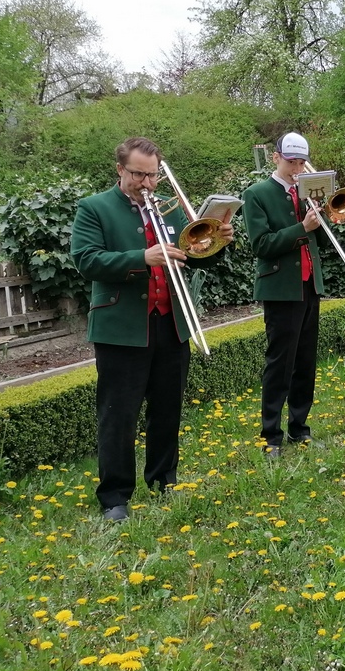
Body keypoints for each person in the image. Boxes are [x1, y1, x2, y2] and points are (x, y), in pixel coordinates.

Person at [71, 136, 234, 522]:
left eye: (153, 176)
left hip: (170, 323)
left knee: (167, 409)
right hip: (122, 327)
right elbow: (87, 261)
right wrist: (141, 257)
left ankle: (164, 480)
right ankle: (115, 497)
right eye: (138, 175)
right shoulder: (94, 208)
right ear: (120, 170)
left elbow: (194, 258)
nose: (146, 184)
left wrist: (216, 244)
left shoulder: (169, 209)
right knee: (118, 414)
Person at [242, 132, 324, 456]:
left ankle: (300, 428)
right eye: (291, 161)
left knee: (305, 360)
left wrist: (324, 214)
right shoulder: (257, 194)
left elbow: (321, 235)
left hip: (309, 283)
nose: (297, 167)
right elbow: (260, 244)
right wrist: (302, 227)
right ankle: (270, 435)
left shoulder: (308, 191)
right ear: (275, 157)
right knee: (280, 362)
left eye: (301, 161)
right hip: (280, 287)